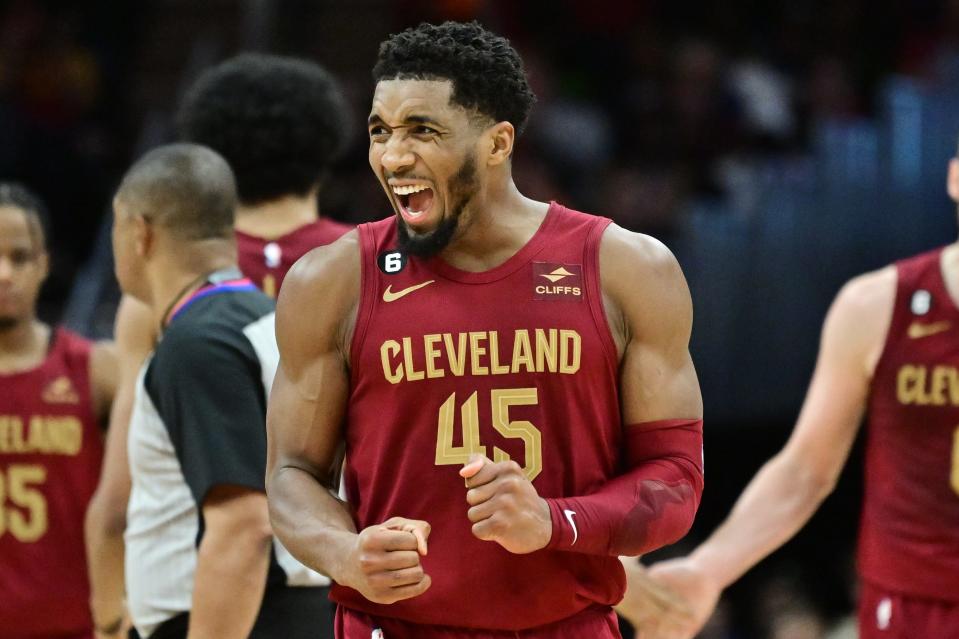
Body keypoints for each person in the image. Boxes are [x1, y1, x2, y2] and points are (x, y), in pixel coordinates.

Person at [265, 21, 705, 639]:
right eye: (380, 131)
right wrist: (344, 554)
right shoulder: (331, 281)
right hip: (392, 626)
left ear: (497, 144)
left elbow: (676, 480)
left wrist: (555, 521)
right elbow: (290, 475)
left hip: (565, 625)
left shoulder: (625, 268)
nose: (393, 157)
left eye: (423, 130)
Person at [617, 157, 959, 637]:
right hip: (913, 607)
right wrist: (709, 570)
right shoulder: (877, 306)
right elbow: (804, 472)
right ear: (953, 176)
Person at [84, 53, 353, 637]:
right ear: (326, 144)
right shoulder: (373, 268)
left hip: (209, 586)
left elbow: (122, 489)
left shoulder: (165, 282)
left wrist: (110, 607)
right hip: (339, 588)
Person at [110, 143, 328, 639]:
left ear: (139, 233)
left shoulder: (196, 343)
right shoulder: (268, 320)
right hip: (296, 608)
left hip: (242, 616)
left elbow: (244, 526)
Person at [0, 182, 117, 638]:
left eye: (20, 257)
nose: (5, 273)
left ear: (44, 263)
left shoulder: (98, 369)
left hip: (78, 627)